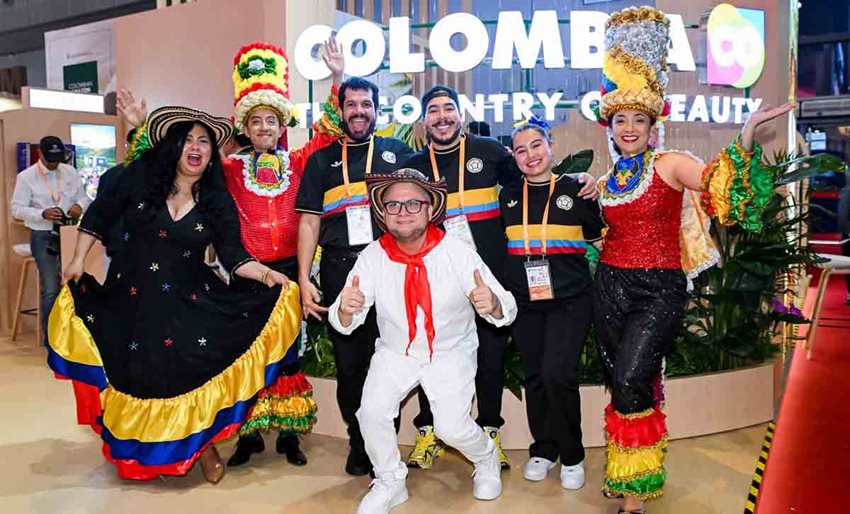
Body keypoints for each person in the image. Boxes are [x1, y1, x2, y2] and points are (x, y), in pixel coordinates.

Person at [589, 7, 794, 513]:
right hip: (610, 286)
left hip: (658, 288)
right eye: (621, 120)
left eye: (639, 120)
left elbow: (721, 188)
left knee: (634, 375)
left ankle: (634, 495)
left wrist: (745, 135)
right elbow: (596, 232)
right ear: (611, 128)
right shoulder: (607, 180)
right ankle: (627, 465)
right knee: (622, 377)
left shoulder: (671, 164)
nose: (630, 128)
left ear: (653, 127)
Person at [46, 106, 300, 483]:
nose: (196, 148)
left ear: (213, 153)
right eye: (187, 140)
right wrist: (78, 261)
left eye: (204, 142)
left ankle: (202, 449)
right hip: (130, 297)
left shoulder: (216, 198)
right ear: (172, 147)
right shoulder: (139, 179)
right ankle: (143, 450)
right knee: (139, 375)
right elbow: (97, 216)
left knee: (187, 371)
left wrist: (269, 277)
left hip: (189, 299)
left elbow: (233, 255)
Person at [402, 85, 598, 470]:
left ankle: (489, 432)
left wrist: (582, 181)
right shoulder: (414, 166)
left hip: (491, 279)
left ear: (461, 114)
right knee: (432, 355)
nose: (442, 116)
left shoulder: (490, 151)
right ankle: (429, 432)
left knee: (491, 358)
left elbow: (532, 183)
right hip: (437, 279)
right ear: (424, 121)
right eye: (434, 111)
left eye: (449, 109)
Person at [328, 169, 517, 513]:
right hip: (396, 352)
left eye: (413, 203)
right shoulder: (373, 256)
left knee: (451, 428)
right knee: (370, 412)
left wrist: (492, 304)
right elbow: (345, 319)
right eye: (394, 205)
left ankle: (486, 457)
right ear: (383, 214)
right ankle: (390, 481)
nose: (403, 211)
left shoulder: (456, 252)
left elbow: (506, 306)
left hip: (449, 351)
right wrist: (344, 310)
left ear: (431, 209)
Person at [296, 76, 413, 476]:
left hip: (391, 266)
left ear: (377, 110)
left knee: (392, 359)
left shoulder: (398, 152)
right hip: (340, 269)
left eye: (366, 104)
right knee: (349, 365)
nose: (359, 111)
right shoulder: (320, 161)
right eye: (352, 104)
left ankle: (385, 442)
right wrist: (304, 278)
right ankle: (359, 439)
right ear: (341, 110)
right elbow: (309, 222)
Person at [500, 119, 604, 490]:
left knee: (559, 374)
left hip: (570, 299)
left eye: (536, 145)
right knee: (535, 376)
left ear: (551, 146)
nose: (530, 155)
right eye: (521, 149)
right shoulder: (508, 196)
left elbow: (600, 236)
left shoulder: (577, 190)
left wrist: (595, 189)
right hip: (525, 301)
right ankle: (543, 449)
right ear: (513, 156)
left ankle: (572, 454)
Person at [11, 136, 90, 344]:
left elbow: (84, 197)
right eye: (50, 159)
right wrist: (41, 214)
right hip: (43, 234)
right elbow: (16, 209)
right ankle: (52, 340)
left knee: (74, 283)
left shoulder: (70, 172)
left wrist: (79, 207)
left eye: (58, 159)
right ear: (41, 155)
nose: (54, 164)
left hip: (69, 232)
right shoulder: (26, 177)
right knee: (51, 288)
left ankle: (74, 334)